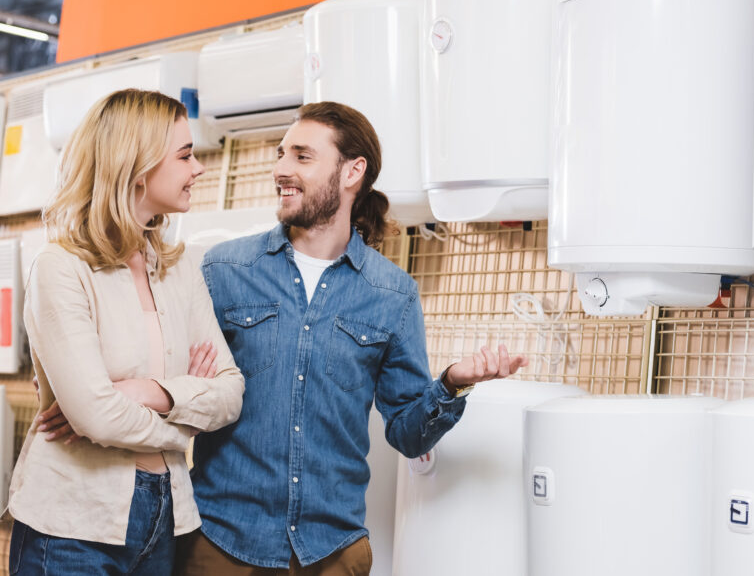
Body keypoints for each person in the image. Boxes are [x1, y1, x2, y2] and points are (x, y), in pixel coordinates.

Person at [175, 102, 527, 575]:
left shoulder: (392, 293)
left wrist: (451, 384)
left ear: (352, 171)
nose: (280, 169)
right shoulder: (224, 270)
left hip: (331, 552)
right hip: (221, 546)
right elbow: (180, 384)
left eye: (301, 156)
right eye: (282, 154)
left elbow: (406, 432)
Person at [7, 89, 246, 575]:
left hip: (166, 517)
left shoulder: (177, 270)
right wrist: (184, 421)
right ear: (138, 167)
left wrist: (150, 392)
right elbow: (97, 416)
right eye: (185, 155)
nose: (198, 168)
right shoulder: (61, 267)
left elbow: (230, 393)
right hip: (74, 525)